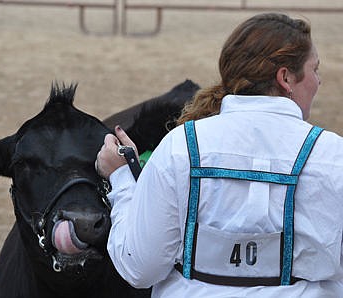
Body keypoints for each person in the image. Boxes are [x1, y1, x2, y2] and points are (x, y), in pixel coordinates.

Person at [95, 13, 343, 297]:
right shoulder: (332, 155)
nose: (318, 81)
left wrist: (123, 179)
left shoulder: (181, 147)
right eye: (315, 69)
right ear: (285, 77)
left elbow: (138, 267)